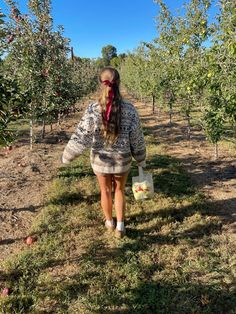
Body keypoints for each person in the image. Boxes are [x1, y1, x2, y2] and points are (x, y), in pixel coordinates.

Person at [62, 66, 146, 238]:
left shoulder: (93, 109)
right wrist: (140, 157)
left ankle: (109, 222)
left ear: (101, 84)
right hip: (122, 161)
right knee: (120, 190)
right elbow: (136, 137)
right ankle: (121, 226)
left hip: (100, 161)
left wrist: (68, 155)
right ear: (119, 84)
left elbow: (82, 134)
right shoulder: (130, 110)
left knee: (105, 191)